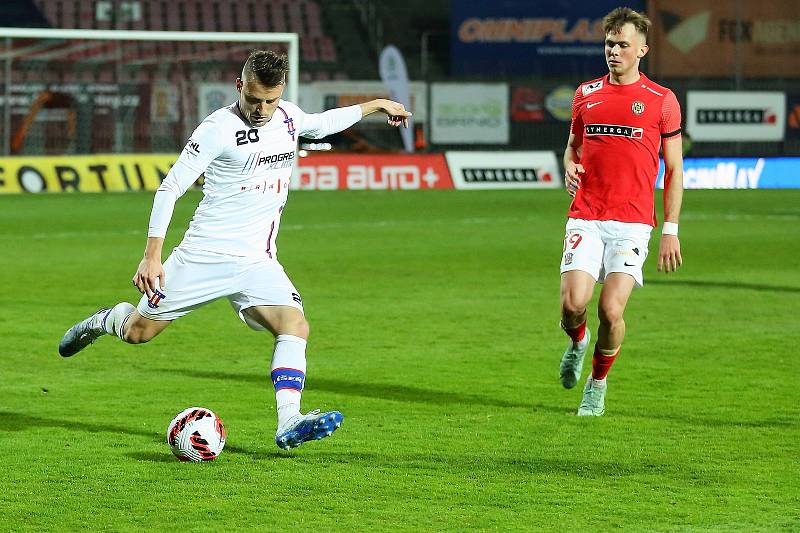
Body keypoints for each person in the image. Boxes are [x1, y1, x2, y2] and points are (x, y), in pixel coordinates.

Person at [58, 50, 411, 448]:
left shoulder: (289, 117)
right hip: (203, 255)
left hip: (257, 260)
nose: (262, 109)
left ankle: (289, 421)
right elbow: (170, 187)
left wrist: (374, 105)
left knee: (294, 325)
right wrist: (152, 255)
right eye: (254, 99)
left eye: (270, 101)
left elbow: (322, 123)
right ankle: (103, 321)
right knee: (140, 333)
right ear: (239, 86)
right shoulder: (216, 129)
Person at [558, 7, 683, 416]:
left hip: (631, 225)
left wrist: (671, 229)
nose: (614, 51)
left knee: (611, 310)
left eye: (623, 44)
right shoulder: (586, 93)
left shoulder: (661, 101)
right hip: (587, 215)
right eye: (609, 44)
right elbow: (572, 146)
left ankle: (597, 383)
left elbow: (675, 168)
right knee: (572, 305)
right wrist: (569, 165)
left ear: (642, 49)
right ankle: (577, 343)